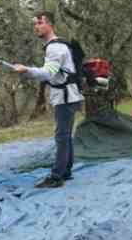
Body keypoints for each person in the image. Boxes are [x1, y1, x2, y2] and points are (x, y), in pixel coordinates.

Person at [13, 10, 83, 189]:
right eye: (35, 24)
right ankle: (66, 171)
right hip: (67, 95)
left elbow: (47, 73)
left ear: (50, 24)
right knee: (65, 135)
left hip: (66, 97)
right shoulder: (55, 46)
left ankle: (56, 177)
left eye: (40, 23)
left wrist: (26, 70)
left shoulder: (55, 47)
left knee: (61, 136)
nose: (36, 27)